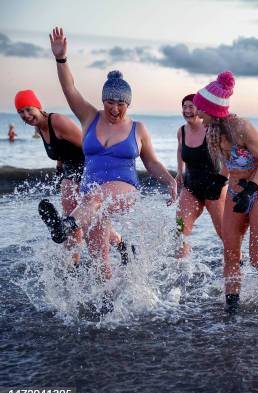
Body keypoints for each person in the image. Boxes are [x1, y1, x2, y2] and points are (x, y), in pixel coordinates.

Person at [38, 27, 177, 282]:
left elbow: (152, 162)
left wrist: (170, 180)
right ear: (102, 101)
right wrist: (61, 59)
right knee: (98, 253)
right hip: (92, 195)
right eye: (109, 102)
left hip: (124, 189)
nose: (114, 108)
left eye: (120, 103)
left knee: (95, 198)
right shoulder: (90, 117)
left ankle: (65, 227)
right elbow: (70, 89)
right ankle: (107, 304)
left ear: (128, 103)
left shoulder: (138, 129)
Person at [192, 71, 258, 311]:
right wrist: (219, 181)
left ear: (212, 109)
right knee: (230, 253)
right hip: (234, 194)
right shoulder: (212, 132)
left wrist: (250, 189)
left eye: (200, 108)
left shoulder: (242, 127)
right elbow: (228, 164)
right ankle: (232, 307)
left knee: (256, 257)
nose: (197, 112)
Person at [15, 89, 129, 265]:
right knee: (78, 220)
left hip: (88, 170)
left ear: (38, 107)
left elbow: (88, 144)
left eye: (29, 109)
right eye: (21, 112)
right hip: (70, 171)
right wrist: (59, 168)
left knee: (84, 220)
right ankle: (80, 260)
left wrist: (103, 173)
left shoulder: (57, 121)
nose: (26, 115)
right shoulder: (40, 127)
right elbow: (61, 149)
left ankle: (86, 258)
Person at [175, 94, 228, 258]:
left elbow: (228, 156)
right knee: (180, 229)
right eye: (184, 107)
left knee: (224, 234)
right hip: (191, 187)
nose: (187, 110)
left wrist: (222, 180)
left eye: (191, 107)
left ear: (200, 110)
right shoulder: (182, 131)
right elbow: (179, 149)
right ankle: (181, 269)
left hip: (214, 189)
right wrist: (179, 171)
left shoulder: (211, 130)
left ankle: (237, 264)